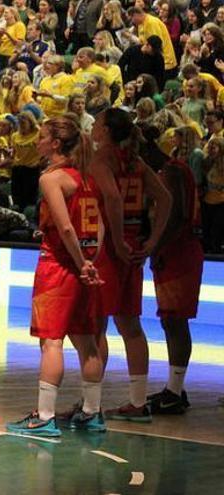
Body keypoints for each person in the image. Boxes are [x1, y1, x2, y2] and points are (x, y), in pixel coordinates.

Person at [6, 117, 106, 437]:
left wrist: (79, 262)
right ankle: (92, 412)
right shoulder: (88, 178)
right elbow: (100, 226)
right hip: (85, 267)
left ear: (56, 144)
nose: (37, 141)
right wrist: (90, 262)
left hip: (59, 266)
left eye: (42, 136)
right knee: (86, 342)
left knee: (51, 342)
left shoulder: (51, 178)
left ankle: (44, 416)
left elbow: (64, 228)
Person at [90, 108, 172, 423]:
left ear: (107, 131)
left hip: (112, 248)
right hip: (136, 245)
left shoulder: (102, 161)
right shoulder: (136, 162)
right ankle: (138, 402)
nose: (93, 127)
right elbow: (164, 199)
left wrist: (118, 239)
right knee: (131, 326)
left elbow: (111, 198)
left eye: (97, 123)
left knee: (96, 325)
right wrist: (151, 242)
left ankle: (91, 405)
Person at [146, 132, 205, 414]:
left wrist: (155, 247)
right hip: (178, 249)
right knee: (171, 321)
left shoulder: (172, 171)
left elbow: (177, 215)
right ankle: (175, 389)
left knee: (175, 321)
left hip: (178, 251)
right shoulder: (172, 169)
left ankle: (174, 391)